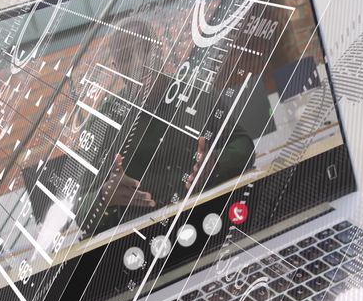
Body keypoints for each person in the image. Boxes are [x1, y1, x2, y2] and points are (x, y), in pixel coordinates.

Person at [73, 14, 255, 235]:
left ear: (159, 50)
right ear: (116, 67)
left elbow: (244, 145)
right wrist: (104, 197)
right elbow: (80, 210)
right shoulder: (104, 121)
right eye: (127, 57)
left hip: (209, 220)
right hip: (144, 239)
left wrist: (215, 164)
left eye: (145, 49)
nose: (139, 63)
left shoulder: (197, 94)